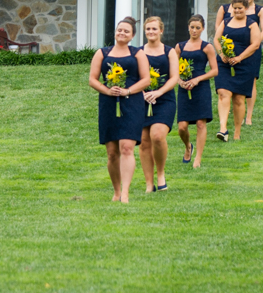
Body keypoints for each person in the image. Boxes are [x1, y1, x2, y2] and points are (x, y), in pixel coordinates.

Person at [89, 17, 150, 202]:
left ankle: (125, 192)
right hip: (108, 104)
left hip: (132, 103)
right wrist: (108, 90)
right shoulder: (102, 53)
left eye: (126, 31)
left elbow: (146, 79)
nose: (121, 33)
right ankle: (116, 191)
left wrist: (128, 91)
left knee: (126, 147)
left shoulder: (137, 54)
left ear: (132, 36)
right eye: (119, 30)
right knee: (112, 152)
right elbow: (92, 79)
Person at [138, 16, 180, 194]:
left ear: (161, 31)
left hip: (164, 99)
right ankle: (149, 183)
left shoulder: (169, 51)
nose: (151, 32)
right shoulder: (138, 52)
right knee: (144, 142)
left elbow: (174, 78)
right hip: (141, 99)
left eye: (154, 29)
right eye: (148, 29)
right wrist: (142, 93)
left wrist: (158, 92)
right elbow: (134, 77)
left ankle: (161, 173)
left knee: (157, 136)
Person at [216, 0, 263, 142]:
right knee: (223, 93)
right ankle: (223, 128)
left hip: (244, 64)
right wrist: (222, 54)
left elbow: (255, 44)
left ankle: (237, 132)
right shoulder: (225, 22)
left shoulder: (251, 24)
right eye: (235, 8)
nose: (237, 11)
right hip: (224, 63)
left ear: (246, 8)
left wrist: (239, 58)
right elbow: (216, 39)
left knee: (238, 99)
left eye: (240, 8)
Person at [175, 14, 218, 169]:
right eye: (192, 27)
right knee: (182, 126)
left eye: (197, 28)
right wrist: (180, 81)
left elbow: (214, 71)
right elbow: (173, 68)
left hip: (201, 89)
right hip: (184, 89)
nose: (194, 30)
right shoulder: (180, 47)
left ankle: (198, 159)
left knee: (201, 123)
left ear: (203, 29)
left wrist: (198, 79)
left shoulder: (207, 47)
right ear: (188, 27)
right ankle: (188, 146)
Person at [240, 0, 263, 127]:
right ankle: (237, 110)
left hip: (254, 49)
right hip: (238, 48)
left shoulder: (259, 10)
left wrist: (255, 42)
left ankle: (249, 116)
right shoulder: (237, 8)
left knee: (252, 81)